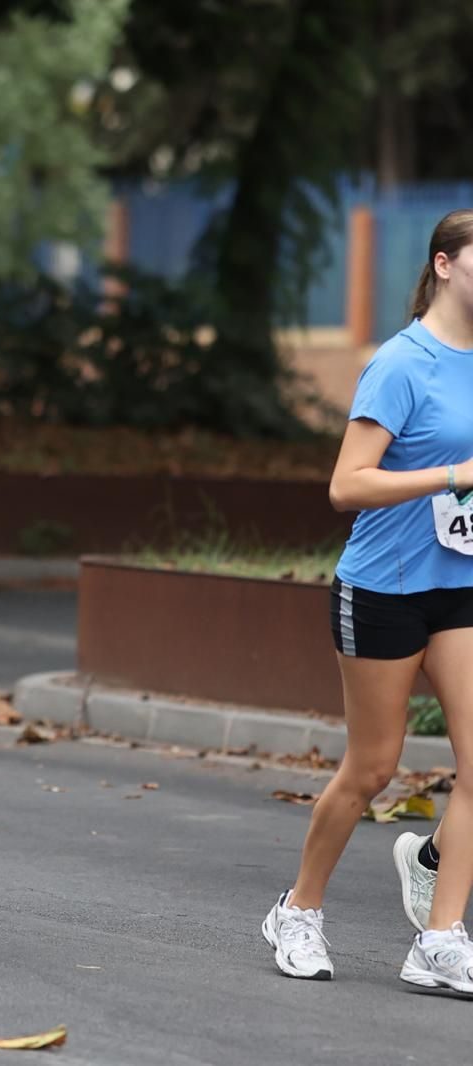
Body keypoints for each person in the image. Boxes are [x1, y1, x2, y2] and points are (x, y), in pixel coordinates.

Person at [263, 208, 473, 993]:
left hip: (460, 587)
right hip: (383, 588)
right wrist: (451, 476)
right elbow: (346, 485)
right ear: (445, 266)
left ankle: (442, 939)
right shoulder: (401, 362)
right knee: (373, 766)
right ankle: (299, 908)